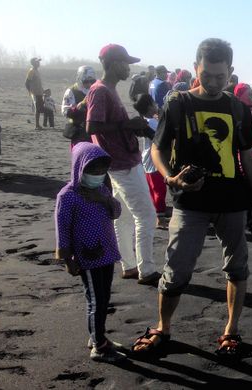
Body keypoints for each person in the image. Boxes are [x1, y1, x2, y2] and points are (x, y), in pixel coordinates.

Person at [133, 38, 252, 357]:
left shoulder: (237, 108)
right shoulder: (178, 103)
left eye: (221, 76)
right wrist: (169, 178)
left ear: (230, 72)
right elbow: (158, 147)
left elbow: (246, 155)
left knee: (237, 267)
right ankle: (163, 328)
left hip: (232, 200)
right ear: (196, 69)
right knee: (176, 269)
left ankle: (231, 330)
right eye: (207, 75)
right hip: (189, 202)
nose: (215, 82)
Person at [86, 44, 160, 285]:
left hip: (120, 161)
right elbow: (92, 126)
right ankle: (146, 269)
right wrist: (126, 126)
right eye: (125, 63)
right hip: (122, 163)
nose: (128, 67)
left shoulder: (105, 89)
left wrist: (128, 126)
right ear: (114, 63)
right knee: (146, 216)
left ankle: (129, 265)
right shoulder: (101, 91)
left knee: (125, 217)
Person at [54, 142, 126, 362]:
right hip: (88, 257)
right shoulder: (68, 196)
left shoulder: (102, 190)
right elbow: (62, 230)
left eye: (101, 171)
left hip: (107, 252)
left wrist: (104, 199)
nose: (97, 175)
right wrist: (67, 259)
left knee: (104, 297)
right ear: (79, 168)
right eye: (92, 170)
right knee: (95, 299)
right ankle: (99, 347)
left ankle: (98, 336)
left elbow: (116, 212)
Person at [133, 94, 166, 229]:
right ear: (149, 107)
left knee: (152, 189)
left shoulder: (147, 121)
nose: (156, 105)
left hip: (147, 159)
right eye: (153, 103)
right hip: (153, 160)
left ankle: (155, 213)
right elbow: (160, 138)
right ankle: (160, 218)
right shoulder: (152, 122)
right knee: (159, 189)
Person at [62, 66, 97, 146]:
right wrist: (79, 108)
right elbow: (65, 111)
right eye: (86, 81)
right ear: (80, 79)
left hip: (93, 131)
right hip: (78, 132)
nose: (89, 84)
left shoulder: (95, 91)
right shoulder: (72, 91)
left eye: (92, 81)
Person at [25, 57, 44, 130]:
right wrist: (30, 91)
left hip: (39, 92)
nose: (39, 63)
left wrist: (42, 90)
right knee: (37, 108)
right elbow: (26, 82)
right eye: (37, 62)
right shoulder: (32, 71)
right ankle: (37, 125)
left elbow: (38, 83)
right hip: (35, 93)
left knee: (39, 109)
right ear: (33, 63)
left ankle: (38, 124)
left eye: (39, 62)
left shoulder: (37, 71)